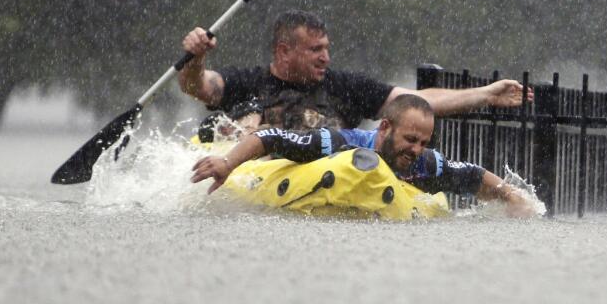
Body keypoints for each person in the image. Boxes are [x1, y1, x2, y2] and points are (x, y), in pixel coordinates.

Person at [179, 10, 530, 136]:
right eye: (315, 50)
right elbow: (199, 87)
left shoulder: (346, 87)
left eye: (327, 48)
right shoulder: (248, 82)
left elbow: (414, 102)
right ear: (284, 51)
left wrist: (485, 94)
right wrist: (194, 57)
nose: (325, 58)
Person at [190, 93, 538, 218]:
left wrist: (513, 196)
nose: (416, 149)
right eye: (410, 139)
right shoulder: (339, 142)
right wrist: (227, 163)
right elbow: (270, 137)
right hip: (287, 178)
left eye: (423, 142)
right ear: (385, 128)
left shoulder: (422, 162)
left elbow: (473, 175)